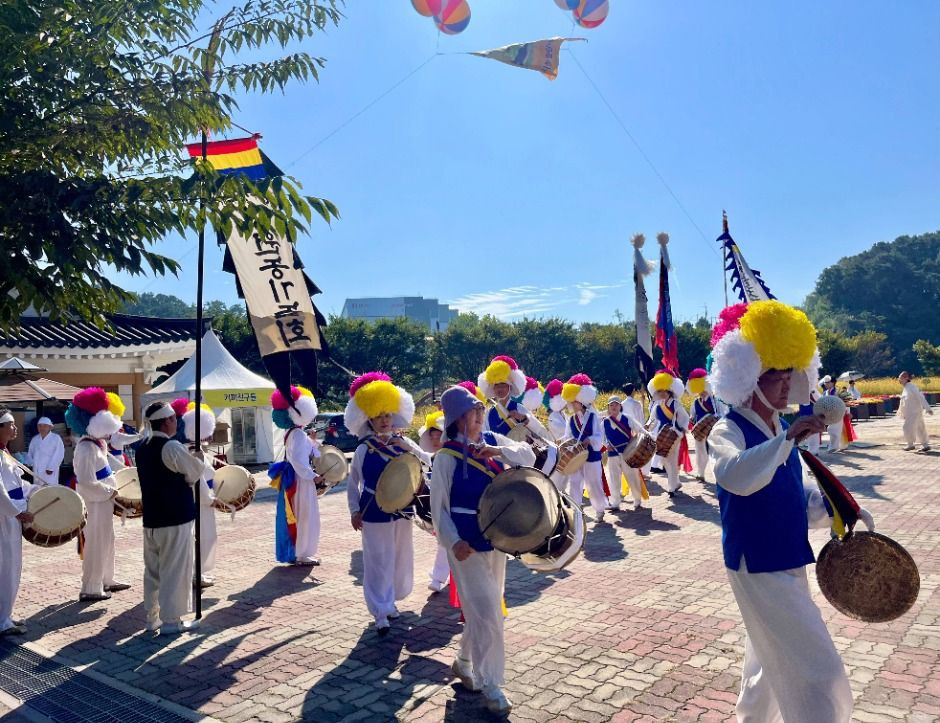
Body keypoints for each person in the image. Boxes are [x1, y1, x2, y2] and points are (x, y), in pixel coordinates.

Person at [707, 299, 871, 723]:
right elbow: (735, 476)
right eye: (775, 377)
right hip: (756, 561)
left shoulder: (779, 428)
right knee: (819, 670)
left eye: (788, 376)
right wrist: (786, 442)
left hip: (788, 555)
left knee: (766, 661)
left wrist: (835, 506)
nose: (786, 386)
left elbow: (792, 497)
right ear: (748, 377)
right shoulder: (727, 429)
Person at [430, 385, 536, 715]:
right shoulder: (445, 457)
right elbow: (438, 509)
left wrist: (497, 451)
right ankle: (491, 686)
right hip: (465, 546)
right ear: (457, 418)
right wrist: (453, 541)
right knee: (489, 612)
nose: (479, 415)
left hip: (496, 539)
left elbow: (529, 456)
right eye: (472, 411)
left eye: (479, 410)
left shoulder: (490, 441)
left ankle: (463, 661)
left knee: (484, 610)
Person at [345, 372, 430, 635]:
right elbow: (353, 484)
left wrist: (407, 448)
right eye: (378, 416)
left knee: (400, 558)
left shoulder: (404, 442)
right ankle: (380, 611)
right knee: (378, 561)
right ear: (369, 419)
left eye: (387, 415)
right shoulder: (363, 449)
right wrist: (354, 511)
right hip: (373, 512)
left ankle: (390, 601)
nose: (384, 420)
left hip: (402, 510)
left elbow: (428, 462)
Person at [137, 401, 206, 634]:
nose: (177, 422)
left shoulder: (142, 447)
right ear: (167, 421)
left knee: (153, 572)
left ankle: (152, 618)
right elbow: (193, 473)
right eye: (174, 418)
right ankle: (171, 621)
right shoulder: (171, 446)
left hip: (152, 519)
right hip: (175, 518)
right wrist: (198, 458)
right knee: (175, 571)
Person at [65, 388, 131, 602]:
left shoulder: (97, 445)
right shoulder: (86, 448)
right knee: (95, 543)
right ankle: (91, 587)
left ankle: (106, 579)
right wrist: (109, 491)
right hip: (94, 504)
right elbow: (85, 481)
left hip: (103, 502)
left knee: (107, 540)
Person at [269, 386, 323, 565]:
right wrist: (313, 476)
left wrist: (312, 441)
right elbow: (299, 461)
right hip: (301, 480)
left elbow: (307, 453)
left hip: (295, 478)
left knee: (298, 514)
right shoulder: (298, 434)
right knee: (305, 515)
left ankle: (298, 551)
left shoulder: (292, 432)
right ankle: (303, 553)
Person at [1, 410, 35, 636]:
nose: (15, 428)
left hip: (11, 515)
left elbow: (16, 484)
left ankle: (5, 614)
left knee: (12, 566)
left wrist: (37, 490)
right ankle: (2, 621)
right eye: (10, 424)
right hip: (4, 518)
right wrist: (16, 512)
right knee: (5, 566)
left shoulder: (5, 452)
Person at [181, 401, 219, 588]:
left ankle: (198, 572)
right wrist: (209, 499)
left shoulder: (189, 449)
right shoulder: (193, 452)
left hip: (198, 500)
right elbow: (198, 478)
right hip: (200, 502)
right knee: (202, 536)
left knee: (201, 536)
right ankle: (196, 574)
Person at [559, 373, 609, 515]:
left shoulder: (593, 417)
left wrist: (590, 439)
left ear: (581, 402)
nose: (571, 404)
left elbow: (599, 436)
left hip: (591, 455)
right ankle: (576, 510)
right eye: (571, 402)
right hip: (576, 456)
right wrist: (562, 441)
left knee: (594, 483)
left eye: (574, 402)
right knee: (574, 482)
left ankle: (600, 510)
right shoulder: (571, 420)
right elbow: (568, 436)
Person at [478, 356, 550, 441]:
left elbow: (540, 431)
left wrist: (523, 418)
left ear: (510, 387)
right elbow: (484, 437)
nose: (500, 388)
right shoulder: (489, 413)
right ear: (492, 388)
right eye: (496, 385)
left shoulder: (519, 408)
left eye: (503, 384)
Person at [418, 410, 450, 593]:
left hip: (453, 506)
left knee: (446, 543)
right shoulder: (433, 457)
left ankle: (438, 578)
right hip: (440, 508)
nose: (435, 440)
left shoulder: (450, 456)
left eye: (439, 436)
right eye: (432, 437)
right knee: (445, 543)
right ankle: (440, 577)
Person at [646, 370, 690, 497]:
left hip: (674, 435)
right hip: (662, 435)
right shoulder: (658, 405)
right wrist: (648, 426)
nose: (661, 393)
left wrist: (680, 429)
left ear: (669, 390)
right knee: (666, 461)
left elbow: (684, 417)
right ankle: (676, 483)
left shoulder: (675, 403)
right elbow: (652, 419)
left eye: (664, 391)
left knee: (670, 460)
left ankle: (671, 488)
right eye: (659, 391)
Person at [603, 396, 645, 510]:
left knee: (632, 476)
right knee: (614, 478)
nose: (614, 407)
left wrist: (645, 439)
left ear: (620, 406)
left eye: (616, 404)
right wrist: (606, 445)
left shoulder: (627, 418)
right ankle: (615, 502)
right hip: (613, 454)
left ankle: (637, 499)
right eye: (611, 405)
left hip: (627, 452)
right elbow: (602, 437)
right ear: (608, 407)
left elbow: (639, 430)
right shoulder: (605, 421)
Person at [686, 368, 720, 482]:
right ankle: (701, 473)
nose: (700, 391)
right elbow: (692, 415)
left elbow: (720, 413)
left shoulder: (715, 400)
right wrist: (691, 420)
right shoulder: (696, 402)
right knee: (700, 451)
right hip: (700, 429)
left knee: (714, 450)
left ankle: (717, 472)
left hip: (713, 428)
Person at [897, 370, 932, 452]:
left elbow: (921, 397)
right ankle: (925, 445)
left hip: (914, 412)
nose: (899, 380)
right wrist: (903, 413)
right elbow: (904, 401)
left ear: (906, 378)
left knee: (907, 427)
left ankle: (910, 445)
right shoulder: (906, 388)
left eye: (900, 378)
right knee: (920, 428)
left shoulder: (912, 387)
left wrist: (928, 408)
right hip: (911, 412)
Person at [26, 417, 64, 487]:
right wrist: (30, 463)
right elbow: (30, 453)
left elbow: (59, 453)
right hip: (37, 471)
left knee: (49, 489)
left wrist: (51, 468)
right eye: (40, 426)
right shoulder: (35, 439)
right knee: (38, 489)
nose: (42, 428)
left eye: (45, 426)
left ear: (50, 427)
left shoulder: (56, 438)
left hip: (49, 471)